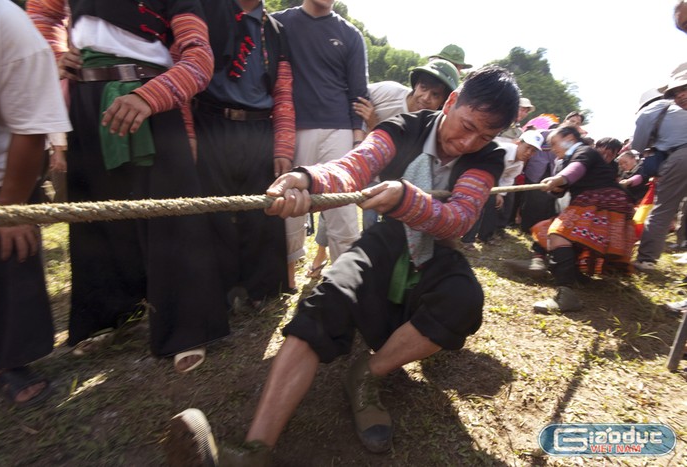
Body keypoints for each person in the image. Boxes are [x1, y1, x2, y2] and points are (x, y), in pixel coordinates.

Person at [164, 65, 520, 464]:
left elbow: (460, 217)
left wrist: (406, 196)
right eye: (467, 125)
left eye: (485, 136)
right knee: (325, 297)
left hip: (439, 249)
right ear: (451, 103)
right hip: (388, 236)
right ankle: (254, 450)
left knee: (463, 299)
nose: (469, 142)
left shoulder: (487, 158)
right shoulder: (403, 126)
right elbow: (353, 166)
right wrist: (306, 179)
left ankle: (368, 373)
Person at [27, 0, 229, 372]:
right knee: (96, 220)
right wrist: (54, 53)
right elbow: (42, 12)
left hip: (152, 101)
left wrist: (150, 96)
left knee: (171, 219)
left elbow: (199, 57)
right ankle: (112, 317)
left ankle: (187, 328)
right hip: (85, 103)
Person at [0, 0, 71, 405]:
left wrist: (10, 208)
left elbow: (31, 127)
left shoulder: (4, 22)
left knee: (8, 249)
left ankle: (8, 360)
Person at [306, 59, 460, 277]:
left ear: (444, 102)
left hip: (389, 183)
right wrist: (360, 136)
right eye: (424, 88)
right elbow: (352, 104)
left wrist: (373, 124)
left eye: (435, 95)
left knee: (371, 224)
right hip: (358, 165)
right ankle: (320, 255)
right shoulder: (387, 92)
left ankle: (366, 268)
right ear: (415, 85)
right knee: (333, 210)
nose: (425, 98)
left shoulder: (432, 128)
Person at [192, 0, 294, 307]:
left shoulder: (276, 30)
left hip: (259, 128)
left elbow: (284, 91)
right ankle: (218, 291)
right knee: (213, 210)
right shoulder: (205, 11)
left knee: (263, 209)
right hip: (210, 123)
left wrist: (283, 146)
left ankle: (261, 290)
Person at [272, 0, 369, 290]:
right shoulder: (278, 24)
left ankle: (345, 286)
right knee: (288, 204)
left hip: (338, 129)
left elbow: (359, 94)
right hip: (293, 128)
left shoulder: (350, 34)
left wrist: (357, 142)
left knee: (343, 210)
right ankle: (287, 279)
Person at [506, 126, 635, 313]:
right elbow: (564, 188)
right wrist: (555, 186)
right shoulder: (567, 160)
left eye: (553, 143)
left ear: (568, 137)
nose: (551, 149)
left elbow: (576, 169)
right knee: (549, 229)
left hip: (603, 201)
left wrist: (558, 178)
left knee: (558, 234)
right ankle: (553, 266)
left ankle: (566, 294)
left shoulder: (585, 151)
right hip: (594, 201)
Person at [632, 63, 687, 271]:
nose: (680, 96)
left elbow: (638, 146)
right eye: (676, 92)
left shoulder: (651, 111)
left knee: (663, 208)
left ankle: (646, 259)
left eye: (684, 88)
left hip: (680, 157)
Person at [461, 130, 544, 249]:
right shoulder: (503, 151)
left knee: (497, 204)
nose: (529, 153)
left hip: (491, 181)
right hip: (473, 173)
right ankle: (468, 239)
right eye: (527, 147)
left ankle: (485, 236)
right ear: (518, 143)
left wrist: (501, 194)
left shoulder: (519, 164)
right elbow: (488, 171)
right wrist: (497, 193)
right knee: (485, 203)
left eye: (533, 151)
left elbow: (507, 179)